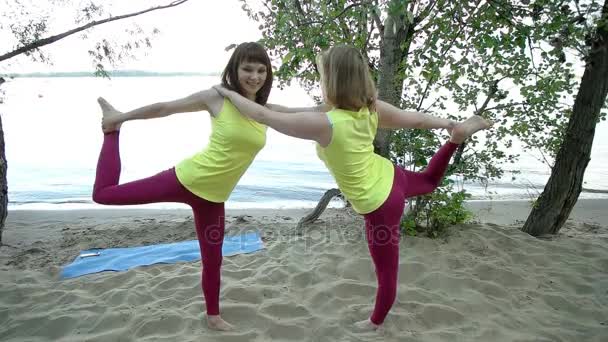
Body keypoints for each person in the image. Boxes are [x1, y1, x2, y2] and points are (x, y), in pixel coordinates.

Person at [213, 45, 492, 331]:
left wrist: (228, 93)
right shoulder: (370, 108)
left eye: (322, 76)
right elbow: (417, 119)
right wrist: (449, 124)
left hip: (379, 204)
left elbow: (263, 118)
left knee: (386, 270)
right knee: (429, 182)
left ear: (331, 81)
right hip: (391, 175)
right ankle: (456, 137)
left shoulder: (324, 124)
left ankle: (375, 323)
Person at [92, 42, 327, 331]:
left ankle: (213, 316)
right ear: (234, 69)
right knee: (103, 195)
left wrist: (345, 97)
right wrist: (121, 117)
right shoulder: (217, 99)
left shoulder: (264, 110)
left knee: (213, 259)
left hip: (214, 198)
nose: (254, 76)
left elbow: (313, 110)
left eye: (261, 70)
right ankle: (111, 130)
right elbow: (165, 108)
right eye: (247, 69)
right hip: (186, 179)